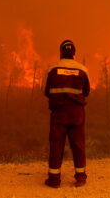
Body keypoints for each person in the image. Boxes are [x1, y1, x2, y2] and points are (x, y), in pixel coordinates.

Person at [44, 40, 90, 188]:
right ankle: (81, 177)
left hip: (59, 114)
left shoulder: (53, 68)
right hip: (77, 114)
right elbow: (87, 92)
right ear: (74, 54)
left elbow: (46, 92)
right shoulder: (82, 69)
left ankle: (54, 180)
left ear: (61, 52)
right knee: (78, 145)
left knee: (56, 145)